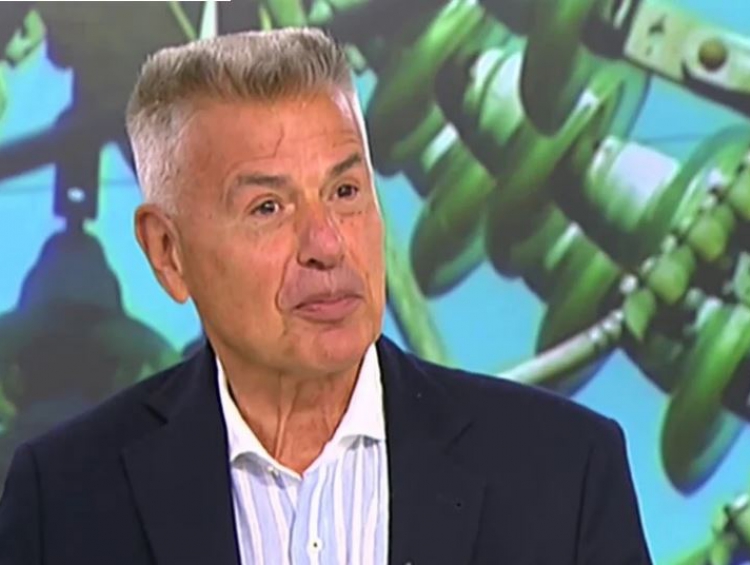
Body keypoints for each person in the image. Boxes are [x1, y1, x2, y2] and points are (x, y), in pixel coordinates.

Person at [0, 28, 653, 565]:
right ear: (169, 253)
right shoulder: (61, 504)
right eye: (268, 207)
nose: (327, 244)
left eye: (345, 192)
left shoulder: (564, 472)